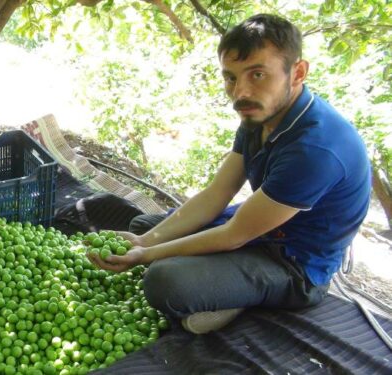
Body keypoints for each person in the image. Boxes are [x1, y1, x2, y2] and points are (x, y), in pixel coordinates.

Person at [87, 14, 371, 334]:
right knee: (143, 226)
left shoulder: (316, 149)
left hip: (293, 263)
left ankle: (237, 297)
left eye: (258, 74)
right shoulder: (259, 113)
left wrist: (146, 255)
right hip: (257, 228)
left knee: (164, 280)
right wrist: (144, 241)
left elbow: (235, 234)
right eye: (231, 78)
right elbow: (216, 194)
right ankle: (223, 283)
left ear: (298, 73)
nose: (240, 92)